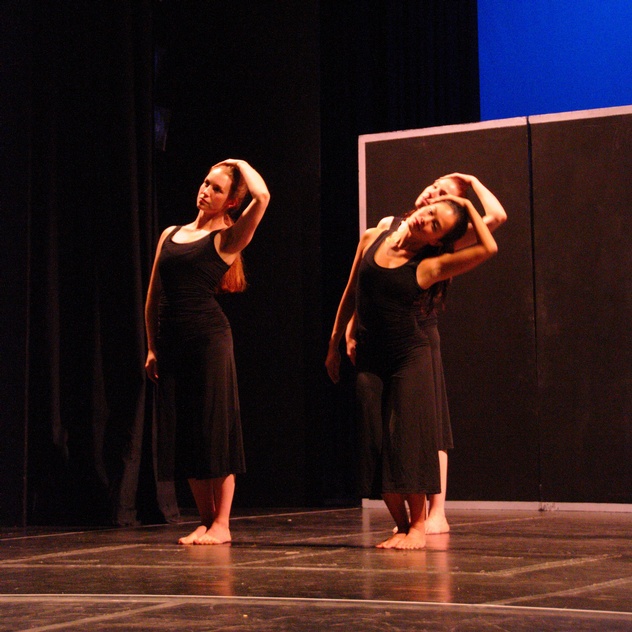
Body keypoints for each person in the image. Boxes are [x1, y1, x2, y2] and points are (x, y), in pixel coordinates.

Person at [326, 191, 499, 550]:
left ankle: (417, 527)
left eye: (435, 225)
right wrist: (334, 343)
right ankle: (401, 525)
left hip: (409, 357)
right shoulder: (374, 235)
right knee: (373, 442)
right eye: (431, 212)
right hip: (371, 358)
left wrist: (467, 205)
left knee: (405, 443)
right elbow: (352, 291)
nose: (426, 218)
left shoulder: (430, 266)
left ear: (437, 240)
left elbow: (488, 247)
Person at [145, 159, 270, 545]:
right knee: (187, 433)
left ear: (230, 202)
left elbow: (262, 196)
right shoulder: (170, 234)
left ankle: (222, 523)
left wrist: (240, 165)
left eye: (217, 189)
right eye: (205, 183)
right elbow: (153, 296)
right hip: (173, 343)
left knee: (215, 430)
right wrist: (151, 347)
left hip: (209, 341)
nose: (205, 191)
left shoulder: (227, 239)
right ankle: (204, 519)